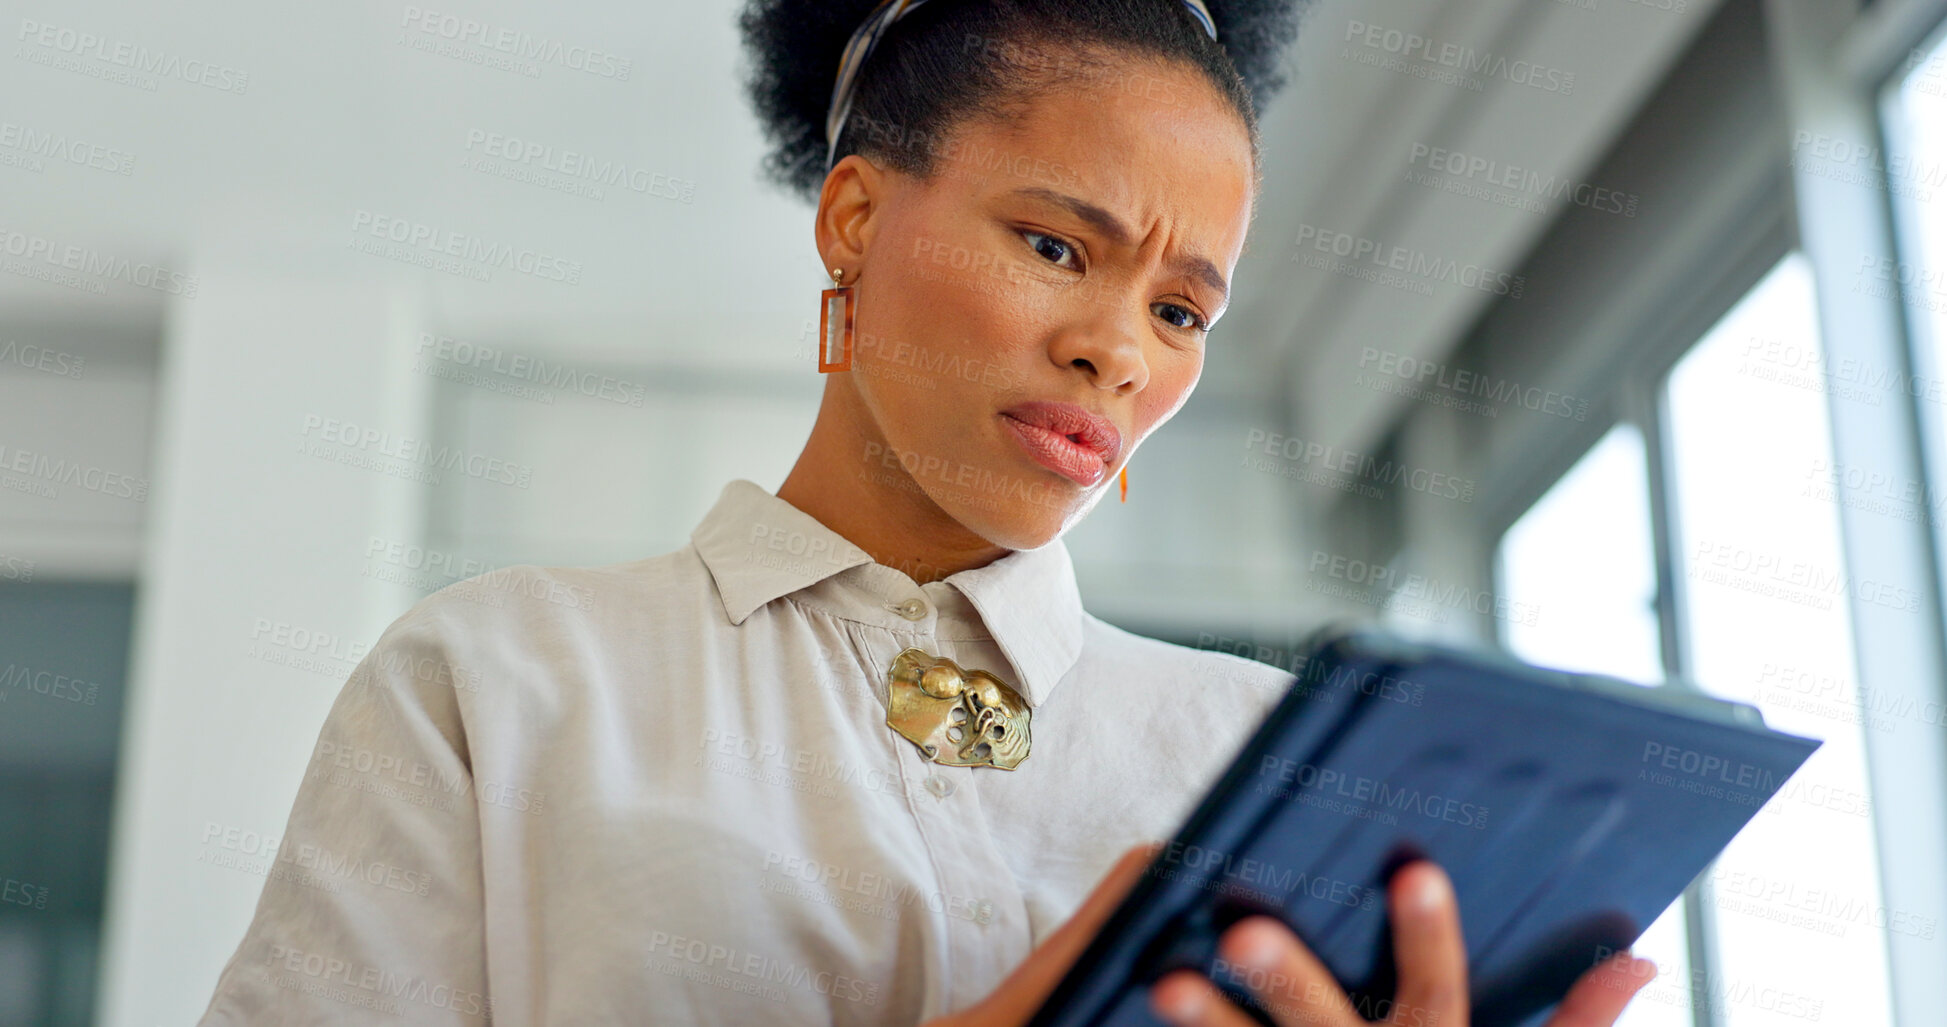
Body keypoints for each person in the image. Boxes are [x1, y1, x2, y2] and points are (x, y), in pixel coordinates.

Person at [197, 0, 1656, 1023]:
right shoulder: (504, 683)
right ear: (853, 219)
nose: (1120, 350)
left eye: (1181, 305)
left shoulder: (1256, 762)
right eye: (1051, 243)